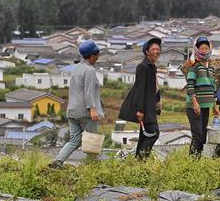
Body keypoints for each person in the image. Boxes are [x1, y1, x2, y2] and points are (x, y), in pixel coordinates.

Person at [50, 40, 105, 168]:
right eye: (97, 54)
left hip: (72, 111)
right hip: (86, 113)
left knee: (74, 140)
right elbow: (89, 91)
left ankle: (57, 162)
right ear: (92, 55)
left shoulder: (77, 69)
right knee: (91, 141)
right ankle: (91, 169)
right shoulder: (90, 71)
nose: (98, 57)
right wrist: (92, 109)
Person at [118, 37, 162, 159]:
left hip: (150, 108)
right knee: (154, 133)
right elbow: (139, 89)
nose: (156, 51)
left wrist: (158, 101)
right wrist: (139, 110)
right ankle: (142, 159)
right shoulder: (143, 67)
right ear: (147, 51)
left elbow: (154, 87)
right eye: (153, 49)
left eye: (158, 49)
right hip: (145, 109)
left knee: (145, 135)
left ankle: (138, 161)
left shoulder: (152, 66)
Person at [182, 36, 219, 156]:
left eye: (206, 48)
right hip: (195, 107)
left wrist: (214, 106)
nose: (204, 50)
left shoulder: (211, 68)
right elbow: (190, 85)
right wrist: (195, 102)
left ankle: (196, 159)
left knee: (202, 136)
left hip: (205, 106)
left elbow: (213, 88)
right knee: (197, 135)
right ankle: (192, 160)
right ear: (197, 50)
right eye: (201, 48)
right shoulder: (195, 66)